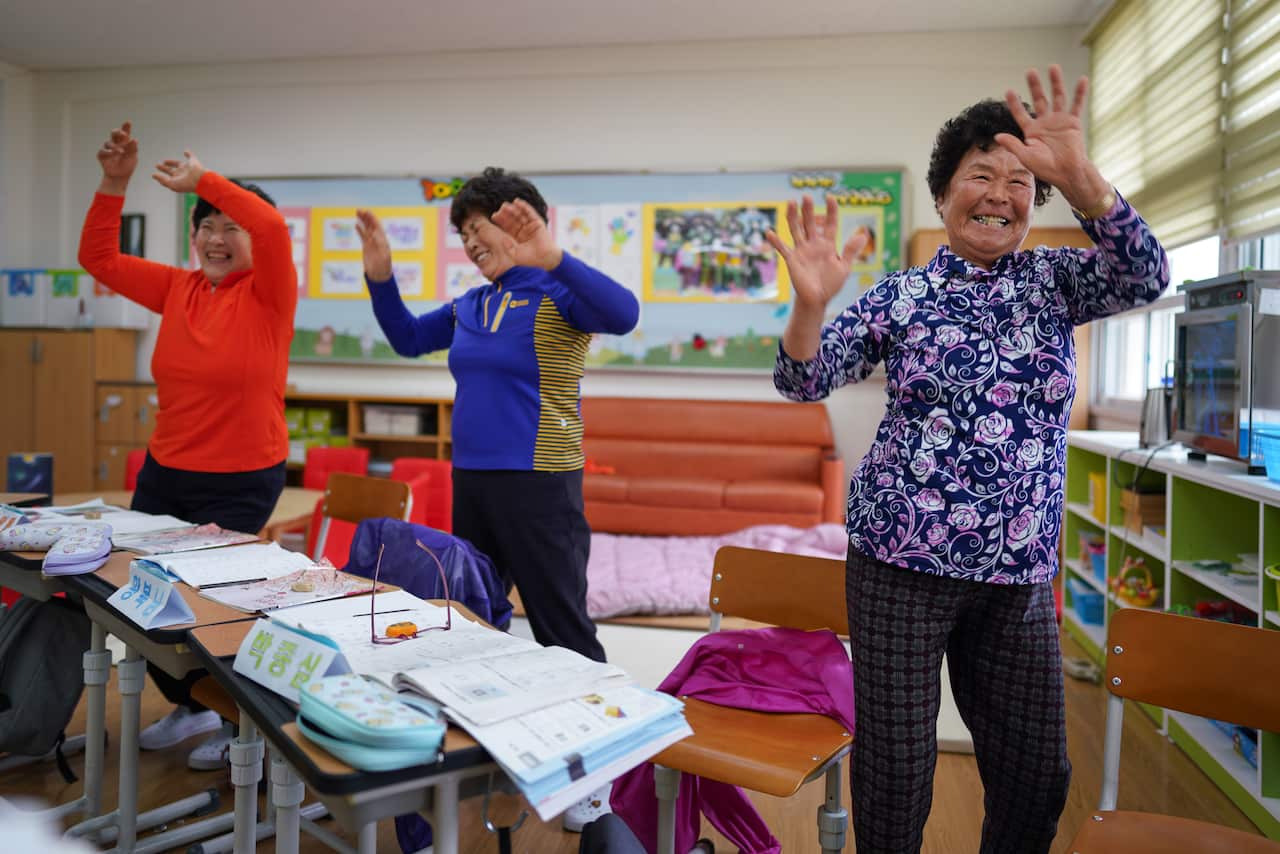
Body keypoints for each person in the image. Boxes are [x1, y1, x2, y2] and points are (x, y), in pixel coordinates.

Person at [768, 66, 1169, 853]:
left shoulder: (1057, 282)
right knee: (897, 774)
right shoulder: (902, 295)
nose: (998, 193)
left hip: (1016, 575)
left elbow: (1147, 274)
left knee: (1036, 774)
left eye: (1020, 180)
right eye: (979, 174)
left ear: (1038, 197)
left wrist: (1082, 177)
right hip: (898, 569)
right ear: (944, 194)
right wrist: (810, 307)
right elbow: (803, 377)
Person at [355, 167, 638, 830]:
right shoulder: (472, 306)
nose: (470, 242)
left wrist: (555, 257)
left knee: (563, 632)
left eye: (476, 228)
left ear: (520, 223)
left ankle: (593, 780)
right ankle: (494, 756)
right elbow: (404, 337)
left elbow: (624, 313)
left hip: (542, 488)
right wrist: (379, 277)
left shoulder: (559, 293)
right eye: (463, 235)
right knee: (471, 627)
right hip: (473, 485)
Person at [79, 122, 297, 770]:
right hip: (165, 472)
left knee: (208, 609)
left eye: (231, 225)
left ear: (252, 241)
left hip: (242, 477)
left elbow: (277, 231)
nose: (215, 237)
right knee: (142, 597)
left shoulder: (269, 294)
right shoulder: (179, 289)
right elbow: (99, 259)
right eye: (205, 223)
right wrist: (114, 184)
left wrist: (206, 181)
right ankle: (192, 705)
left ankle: (242, 723)